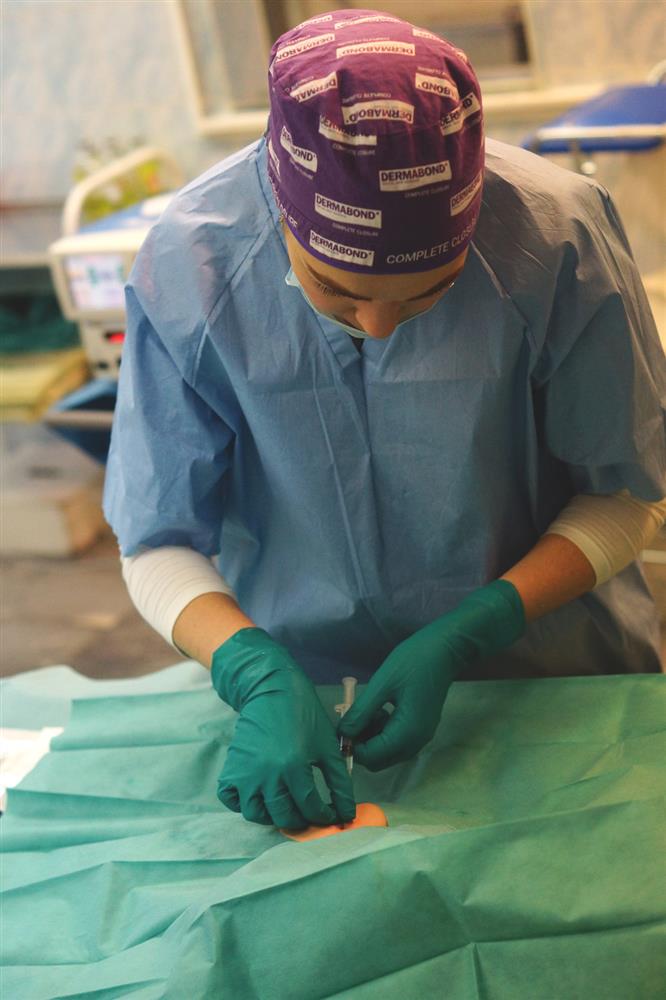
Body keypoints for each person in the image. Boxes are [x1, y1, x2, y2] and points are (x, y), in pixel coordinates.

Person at [104, 9, 666, 832]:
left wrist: (478, 624)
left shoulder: (558, 240)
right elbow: (156, 538)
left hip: (546, 673)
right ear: (282, 215)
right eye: (335, 291)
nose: (378, 327)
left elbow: (628, 494)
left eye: (432, 291)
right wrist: (251, 668)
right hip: (306, 695)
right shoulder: (195, 265)